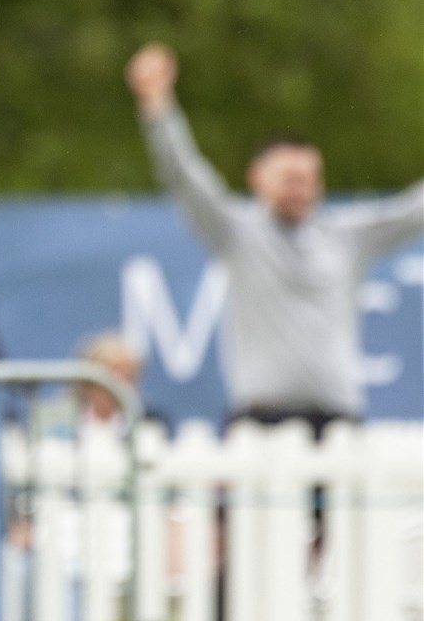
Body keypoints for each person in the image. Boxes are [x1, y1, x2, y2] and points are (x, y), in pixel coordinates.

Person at [126, 42, 423, 434]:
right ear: (257, 179)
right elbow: (185, 177)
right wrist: (158, 106)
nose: (299, 189)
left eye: (308, 179)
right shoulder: (237, 231)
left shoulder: (348, 235)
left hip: (338, 420)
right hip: (259, 421)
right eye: (288, 179)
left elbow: (412, 212)